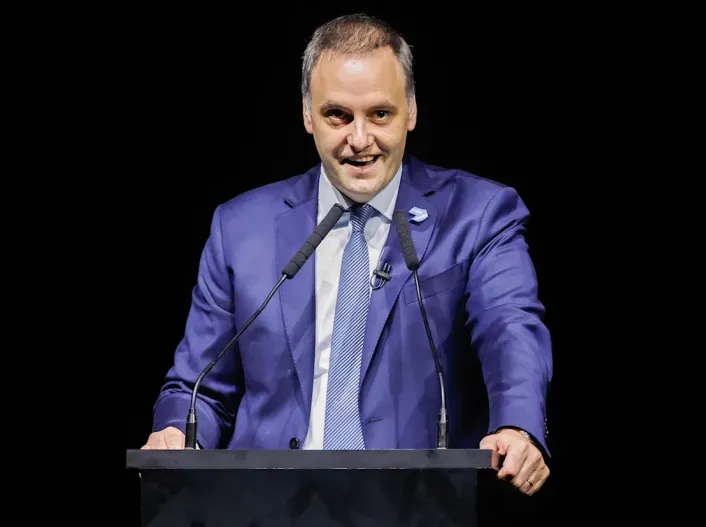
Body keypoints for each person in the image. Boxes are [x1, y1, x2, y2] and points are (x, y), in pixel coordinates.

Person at [142, 13, 553, 496]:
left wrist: (517, 425)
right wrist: (176, 434)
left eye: (380, 114)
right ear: (307, 115)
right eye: (338, 115)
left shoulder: (478, 214)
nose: (360, 139)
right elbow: (199, 388)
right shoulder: (240, 228)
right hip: (264, 507)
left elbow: (509, 328)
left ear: (411, 111)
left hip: (415, 505)